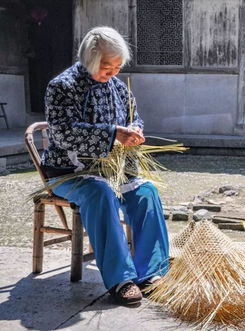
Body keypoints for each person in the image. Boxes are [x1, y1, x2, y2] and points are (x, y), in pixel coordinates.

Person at [41, 26, 169, 306]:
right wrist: (112, 134)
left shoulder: (119, 88)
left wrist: (134, 131)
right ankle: (120, 279)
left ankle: (151, 274)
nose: (111, 72)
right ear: (89, 59)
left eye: (117, 66)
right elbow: (63, 134)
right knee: (100, 193)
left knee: (146, 193)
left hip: (115, 169)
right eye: (106, 66)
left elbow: (136, 118)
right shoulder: (62, 86)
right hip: (70, 172)